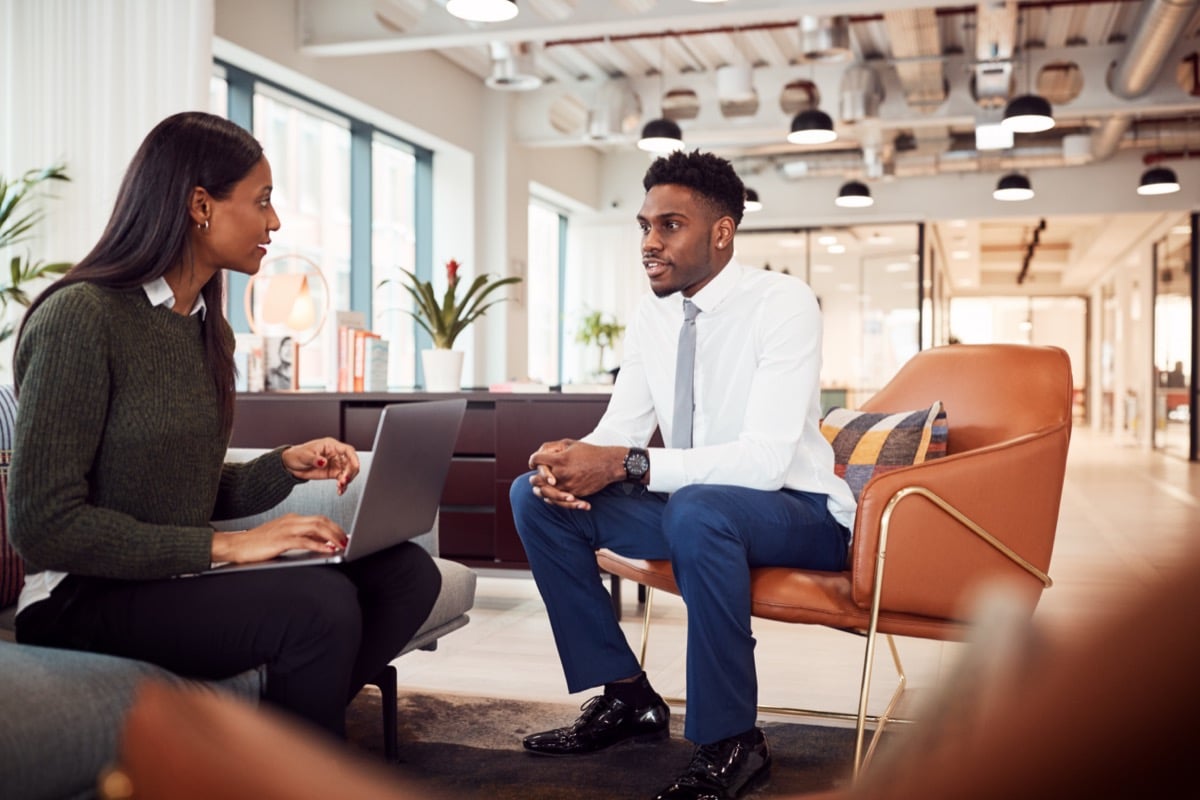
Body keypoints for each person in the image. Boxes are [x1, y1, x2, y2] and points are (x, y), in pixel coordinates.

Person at [8, 111, 442, 740]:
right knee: (319, 608)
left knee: (407, 575)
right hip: (82, 596)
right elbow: (41, 526)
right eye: (262, 201)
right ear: (200, 205)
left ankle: (271, 744)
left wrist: (284, 465)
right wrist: (229, 547)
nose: (275, 222)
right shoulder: (82, 317)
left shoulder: (205, 328)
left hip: (171, 576)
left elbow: (179, 488)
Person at [509, 150, 857, 800]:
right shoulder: (654, 315)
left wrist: (626, 464)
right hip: (697, 509)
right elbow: (623, 432)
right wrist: (572, 458)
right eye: (644, 225)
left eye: (669, 225)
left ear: (721, 231)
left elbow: (765, 460)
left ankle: (733, 741)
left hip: (798, 512)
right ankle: (627, 697)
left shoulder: (783, 303)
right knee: (533, 499)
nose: (649, 242)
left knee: (701, 508)